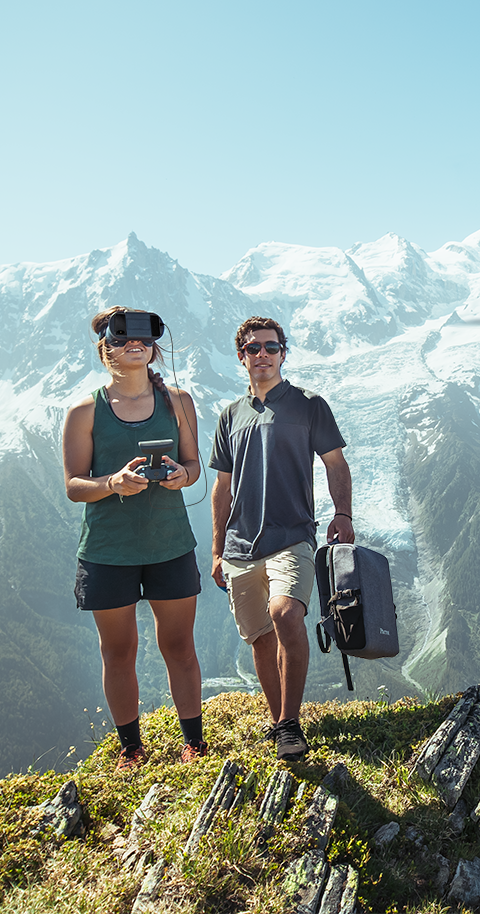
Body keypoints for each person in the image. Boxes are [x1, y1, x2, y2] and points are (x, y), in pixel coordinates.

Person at [62, 306, 206, 769]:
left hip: (169, 544)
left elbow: (195, 466)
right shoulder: (84, 411)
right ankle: (131, 749)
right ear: (106, 347)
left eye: (141, 339)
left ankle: (194, 743)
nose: (133, 345)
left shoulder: (179, 402)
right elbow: (73, 485)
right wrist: (111, 483)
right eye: (122, 338)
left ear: (153, 346)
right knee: (118, 651)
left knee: (179, 645)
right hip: (108, 551)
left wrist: (182, 476)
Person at [209, 316, 354, 761]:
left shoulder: (310, 405)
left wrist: (343, 514)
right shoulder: (230, 416)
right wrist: (217, 549)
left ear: (283, 352)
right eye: (254, 349)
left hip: (293, 534)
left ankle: (291, 723)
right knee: (258, 637)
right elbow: (222, 487)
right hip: (239, 545)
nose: (263, 355)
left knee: (286, 614)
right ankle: (278, 725)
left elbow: (335, 463)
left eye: (271, 347)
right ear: (242, 357)